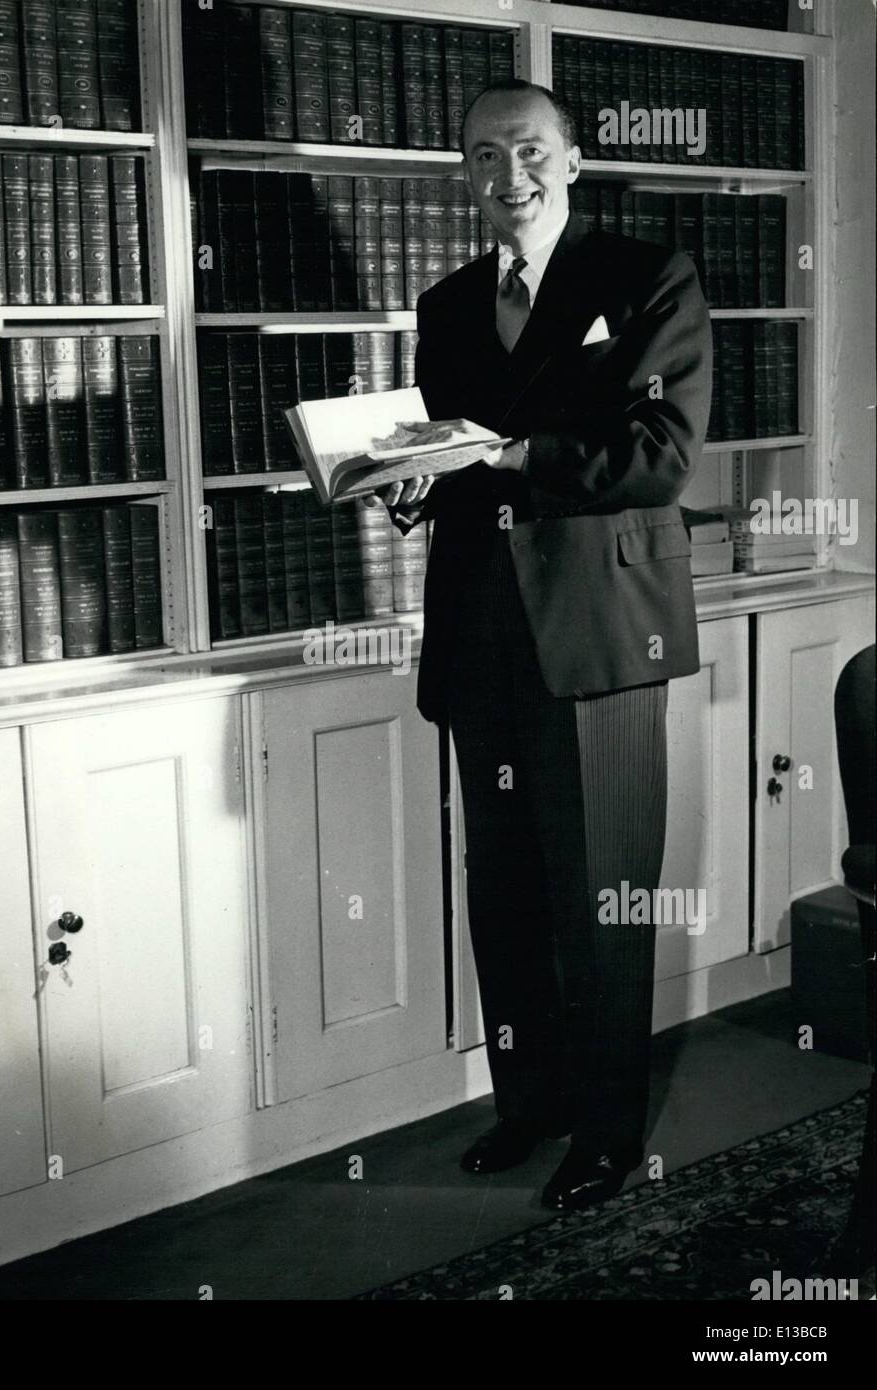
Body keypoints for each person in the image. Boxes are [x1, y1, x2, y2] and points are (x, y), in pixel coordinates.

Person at [365, 78, 712, 1210]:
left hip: (601, 635)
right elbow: (447, 467)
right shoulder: (447, 302)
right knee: (503, 888)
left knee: (603, 895)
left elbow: (656, 457)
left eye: (524, 152)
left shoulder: (645, 275)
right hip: (479, 635)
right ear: (462, 174)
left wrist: (504, 454)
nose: (502, 176)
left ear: (570, 160)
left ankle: (607, 1135)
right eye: (478, 157)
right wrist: (401, 486)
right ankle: (529, 1104)